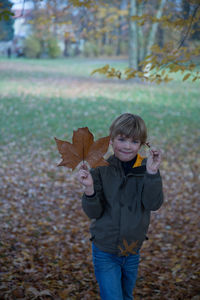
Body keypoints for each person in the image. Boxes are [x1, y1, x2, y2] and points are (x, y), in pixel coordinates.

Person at [77, 113, 164, 300]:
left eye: (134, 141)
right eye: (122, 139)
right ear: (111, 140)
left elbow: (153, 203)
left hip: (132, 250)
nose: (127, 146)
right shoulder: (100, 168)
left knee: (126, 296)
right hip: (105, 250)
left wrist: (152, 173)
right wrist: (89, 188)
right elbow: (94, 212)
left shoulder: (146, 169)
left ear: (141, 145)